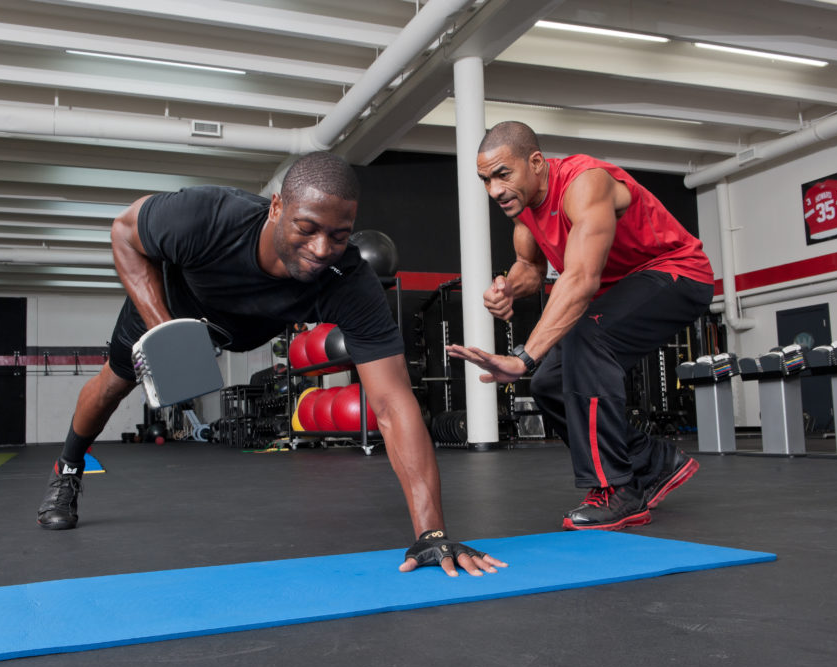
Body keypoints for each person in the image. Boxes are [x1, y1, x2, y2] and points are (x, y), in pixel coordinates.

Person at [36, 151, 505, 577]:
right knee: (113, 386)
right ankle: (68, 469)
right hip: (169, 306)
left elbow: (392, 402)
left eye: (338, 235)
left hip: (243, 331)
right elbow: (124, 232)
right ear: (277, 207)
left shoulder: (347, 281)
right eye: (307, 228)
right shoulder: (207, 217)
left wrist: (431, 533)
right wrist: (167, 333)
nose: (321, 249)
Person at [447, 121, 714, 531]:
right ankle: (652, 463)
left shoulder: (584, 184)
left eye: (502, 174)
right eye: (486, 180)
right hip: (622, 289)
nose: (495, 190)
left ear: (536, 162)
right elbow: (530, 267)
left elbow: (580, 280)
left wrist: (523, 358)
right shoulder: (524, 208)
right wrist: (507, 288)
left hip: (678, 274)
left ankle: (618, 490)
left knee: (586, 336)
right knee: (548, 383)